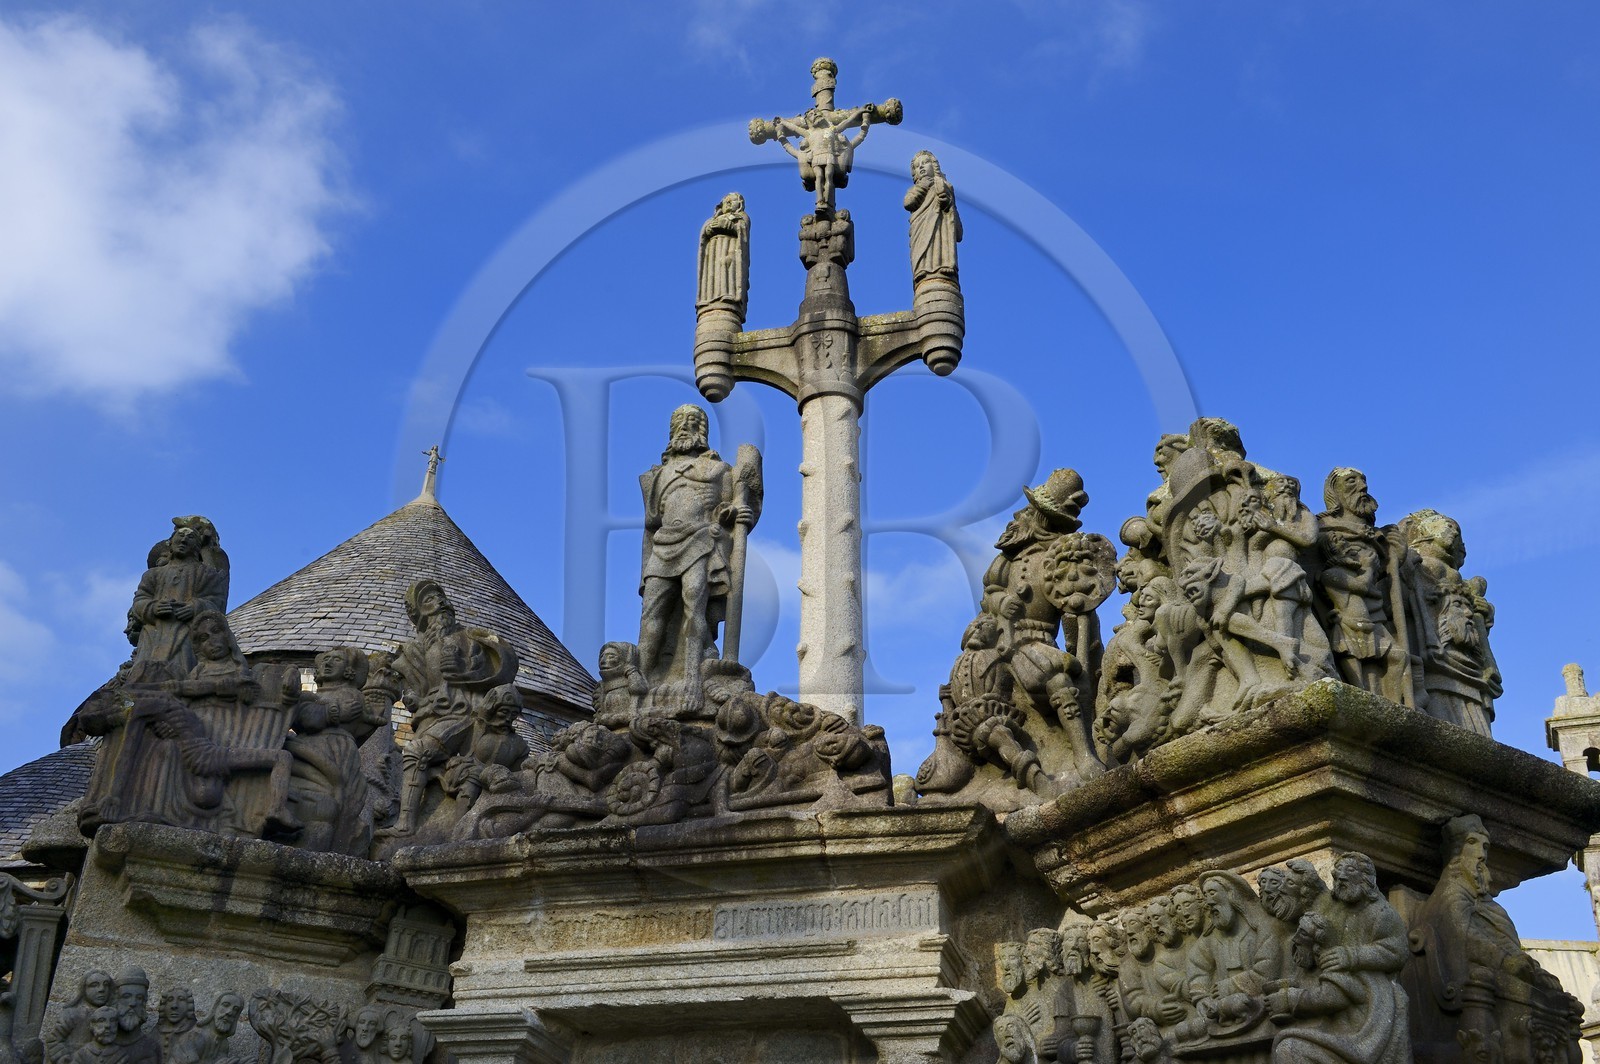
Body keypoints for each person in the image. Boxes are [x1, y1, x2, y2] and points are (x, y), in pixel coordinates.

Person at [637, 405, 754, 711]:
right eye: (679, 421)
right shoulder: (657, 476)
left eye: (692, 421)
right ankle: (641, 682)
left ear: (702, 429)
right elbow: (651, 522)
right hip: (664, 544)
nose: (685, 426)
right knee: (652, 612)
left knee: (694, 608)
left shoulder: (718, 470)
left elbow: (729, 507)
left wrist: (737, 513)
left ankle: (691, 681)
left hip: (701, 540)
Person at [905, 150, 961, 284]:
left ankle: (945, 265)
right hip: (920, 227)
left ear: (934, 166)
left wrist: (947, 203)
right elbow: (908, 203)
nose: (921, 167)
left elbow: (959, 233)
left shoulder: (944, 185)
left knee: (940, 239)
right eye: (917, 166)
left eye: (925, 163)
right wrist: (923, 187)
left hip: (942, 226)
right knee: (923, 251)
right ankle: (922, 269)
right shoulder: (914, 189)